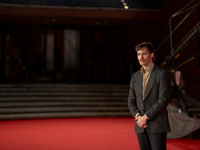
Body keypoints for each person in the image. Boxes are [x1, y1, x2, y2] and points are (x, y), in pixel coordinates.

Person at [128, 42, 171, 150]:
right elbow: (131, 100)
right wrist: (138, 117)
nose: (140, 57)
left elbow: (163, 100)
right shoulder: (135, 76)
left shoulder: (162, 74)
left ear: (152, 55)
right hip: (140, 126)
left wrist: (145, 117)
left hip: (157, 124)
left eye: (144, 54)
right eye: (138, 54)